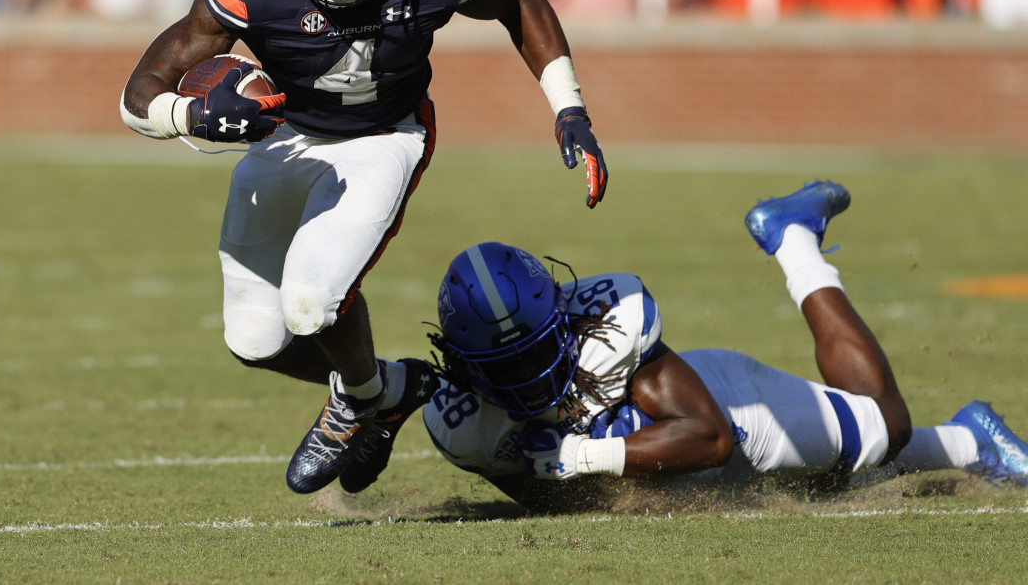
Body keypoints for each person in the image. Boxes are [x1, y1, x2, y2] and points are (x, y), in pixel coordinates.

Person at [119, 0, 608, 496]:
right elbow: (137, 93)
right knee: (256, 339)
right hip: (287, 135)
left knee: (313, 300)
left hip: (386, 134)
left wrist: (568, 105)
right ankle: (392, 387)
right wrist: (190, 116)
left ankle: (354, 402)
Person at [422, 180, 1028, 511]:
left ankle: (793, 240)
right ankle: (973, 440)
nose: (528, 375)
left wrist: (579, 457)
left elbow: (709, 438)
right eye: (507, 365)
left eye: (534, 352)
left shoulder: (612, 327)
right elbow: (555, 500)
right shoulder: (460, 423)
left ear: (563, 320)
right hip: (678, 469)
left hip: (732, 412)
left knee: (884, 428)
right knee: (823, 485)